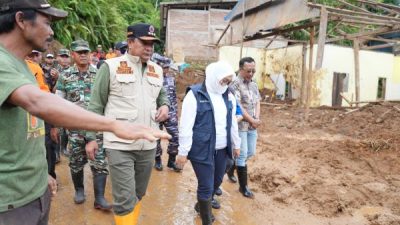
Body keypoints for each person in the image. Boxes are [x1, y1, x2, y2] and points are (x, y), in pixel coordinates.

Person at [0, 2, 170, 224]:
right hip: (10, 201)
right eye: (47, 23)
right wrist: (115, 126)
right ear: (21, 20)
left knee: (135, 191)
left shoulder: (22, 65)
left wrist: (42, 176)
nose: (51, 31)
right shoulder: (109, 67)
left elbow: (24, 129)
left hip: (32, 191)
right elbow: (38, 101)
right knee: (115, 191)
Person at [85, 23, 170, 225]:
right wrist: (91, 138)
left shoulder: (157, 70)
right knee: (124, 197)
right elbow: (96, 105)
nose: (149, 47)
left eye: (152, 43)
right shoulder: (110, 67)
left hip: (148, 144)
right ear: (130, 42)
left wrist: (165, 106)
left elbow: (162, 95)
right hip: (119, 144)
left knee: (138, 193)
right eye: (145, 42)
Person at [176, 61, 241, 225]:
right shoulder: (195, 95)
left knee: (217, 181)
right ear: (213, 77)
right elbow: (186, 125)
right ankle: (206, 220)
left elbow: (232, 121)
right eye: (223, 80)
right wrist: (183, 152)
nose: (225, 84)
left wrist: (236, 143)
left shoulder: (229, 95)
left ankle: (201, 206)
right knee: (205, 185)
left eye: (228, 81)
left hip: (222, 148)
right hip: (201, 148)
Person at [55, 39, 112, 210]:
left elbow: (108, 101)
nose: (83, 55)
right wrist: (57, 127)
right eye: (79, 52)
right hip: (74, 130)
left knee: (100, 163)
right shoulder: (65, 76)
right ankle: (79, 190)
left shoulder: (99, 74)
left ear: (90, 54)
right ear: (72, 55)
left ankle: (99, 198)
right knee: (76, 162)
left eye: (85, 52)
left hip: (97, 128)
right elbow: (58, 103)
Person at [229, 57, 261, 199]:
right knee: (242, 155)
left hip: (252, 125)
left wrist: (256, 119)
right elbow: (238, 106)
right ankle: (243, 187)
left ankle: (231, 168)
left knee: (251, 152)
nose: (251, 73)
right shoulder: (234, 84)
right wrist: (251, 119)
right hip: (241, 124)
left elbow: (257, 102)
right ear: (241, 69)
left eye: (253, 70)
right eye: (248, 71)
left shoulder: (253, 84)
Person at [151, 53, 181, 172]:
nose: (167, 69)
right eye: (164, 67)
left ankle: (171, 161)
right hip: (155, 113)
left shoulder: (171, 79)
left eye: (167, 67)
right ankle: (157, 160)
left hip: (171, 113)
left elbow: (173, 97)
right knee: (156, 138)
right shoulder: (151, 79)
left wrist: (175, 112)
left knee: (175, 137)